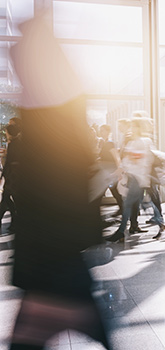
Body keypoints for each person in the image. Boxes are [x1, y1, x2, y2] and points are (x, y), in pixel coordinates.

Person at [9, 15, 111, 349]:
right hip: (56, 259)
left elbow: (52, 189)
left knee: (37, 331)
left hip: (50, 260)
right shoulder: (60, 116)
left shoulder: (49, 125)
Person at [106, 117, 165, 242]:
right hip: (134, 178)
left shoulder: (142, 142)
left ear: (139, 128)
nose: (131, 128)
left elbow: (141, 161)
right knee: (140, 204)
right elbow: (127, 161)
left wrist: (126, 168)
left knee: (129, 204)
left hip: (138, 179)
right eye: (131, 126)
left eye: (134, 126)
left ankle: (121, 232)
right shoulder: (132, 142)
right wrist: (118, 172)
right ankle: (160, 224)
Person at [0, 124, 21, 234]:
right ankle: (14, 220)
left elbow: (8, 162)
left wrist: (3, 175)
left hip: (11, 176)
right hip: (15, 177)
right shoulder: (18, 143)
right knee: (8, 199)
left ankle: (15, 220)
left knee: (6, 199)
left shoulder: (13, 144)